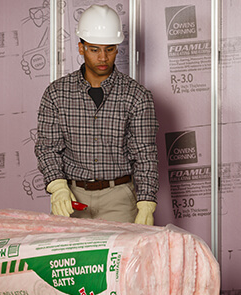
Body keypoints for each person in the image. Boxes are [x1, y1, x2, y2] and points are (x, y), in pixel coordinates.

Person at [34, 4, 159, 225]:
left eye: (109, 49)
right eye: (94, 49)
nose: (103, 57)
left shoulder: (137, 96)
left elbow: (145, 155)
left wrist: (146, 203)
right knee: (69, 259)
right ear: (81, 48)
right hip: (72, 198)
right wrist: (57, 186)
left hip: (119, 198)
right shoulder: (56, 93)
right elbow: (47, 147)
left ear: (117, 48)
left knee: (122, 259)